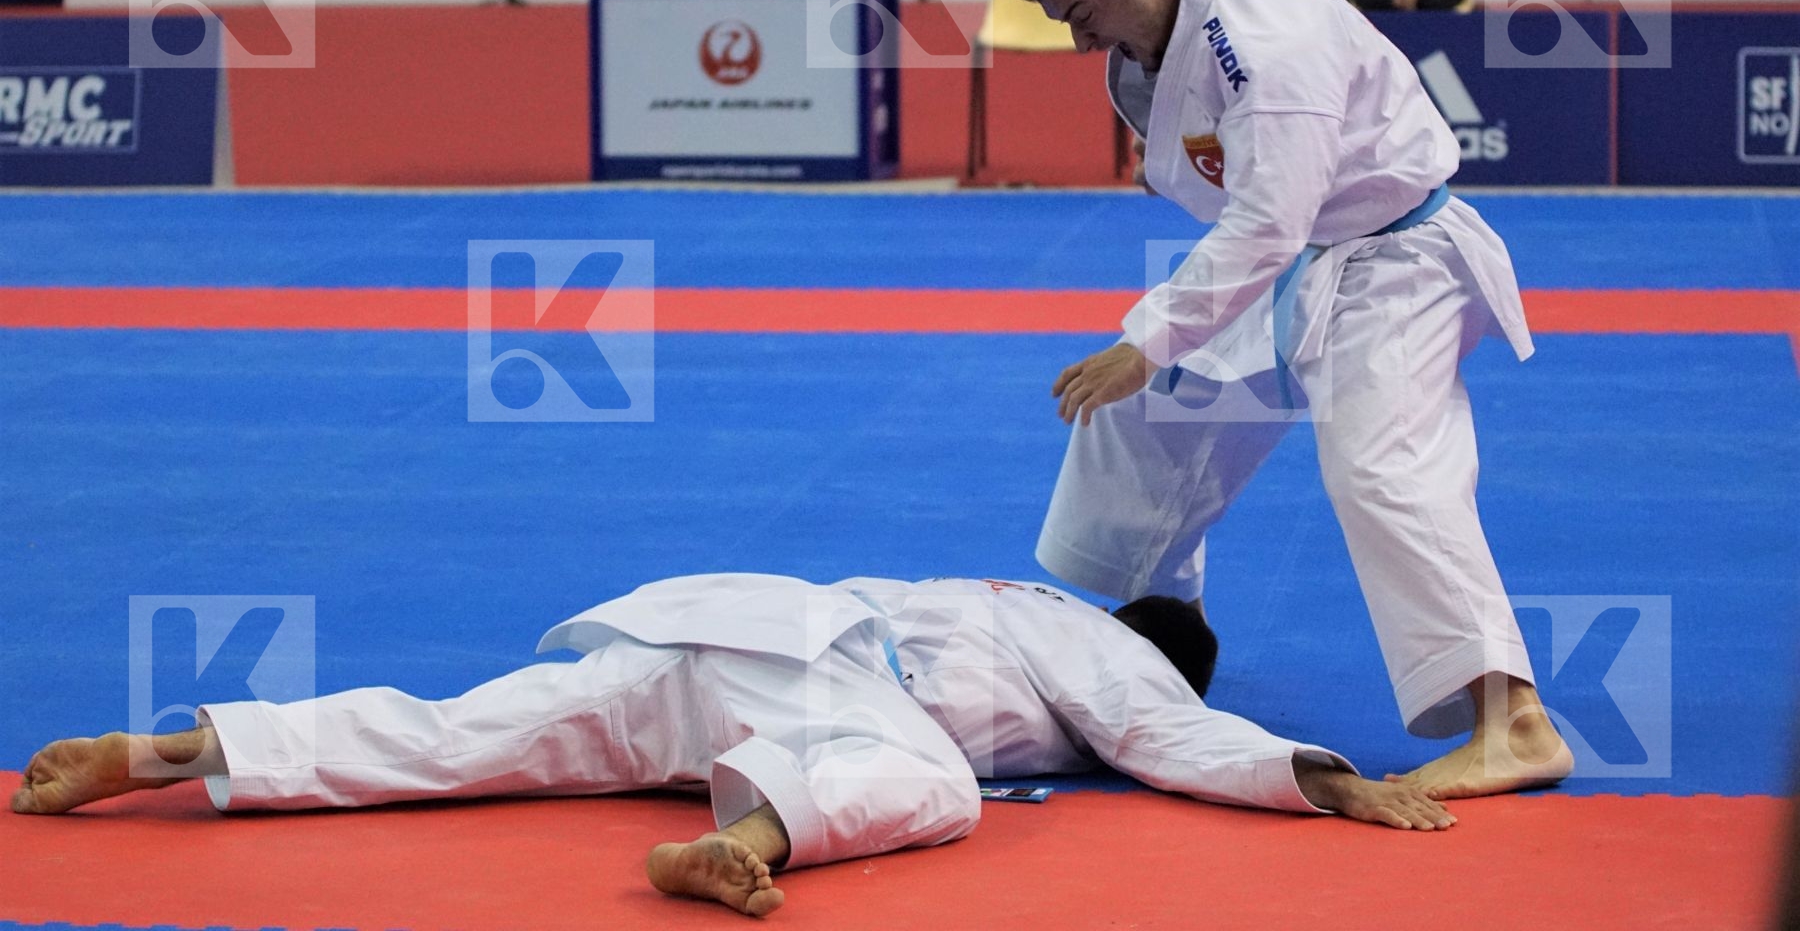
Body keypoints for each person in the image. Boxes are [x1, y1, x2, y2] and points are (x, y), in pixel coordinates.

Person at [997, 0, 1574, 801]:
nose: (1079, 40)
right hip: (1306, 251)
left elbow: (1265, 222)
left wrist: (1144, 336)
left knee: (1382, 468)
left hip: (1392, 261)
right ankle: (1160, 626)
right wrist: (1154, 353)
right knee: (1151, 405)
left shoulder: (1268, 43)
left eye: (1083, 12)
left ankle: (1515, 723)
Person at [12, 573, 1455, 918]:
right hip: (820, 686)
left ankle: (182, 752)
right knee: (943, 789)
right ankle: (747, 840)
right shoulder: (1105, 643)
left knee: (462, 735)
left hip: (700, 634)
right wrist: (1316, 775)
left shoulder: (972, 587)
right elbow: (1169, 733)